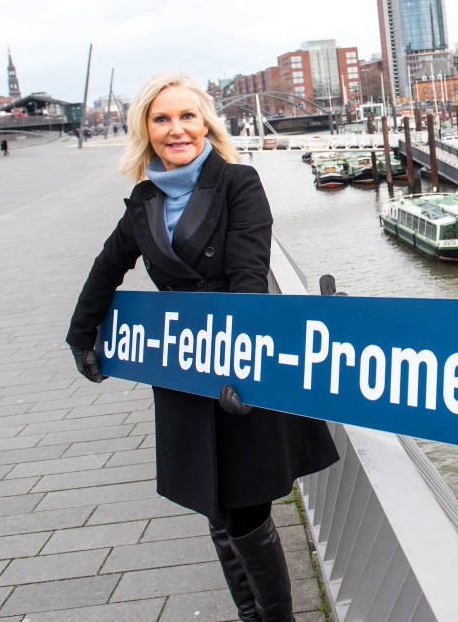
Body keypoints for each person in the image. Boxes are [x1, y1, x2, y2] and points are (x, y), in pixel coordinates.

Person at [66, 71, 338, 622]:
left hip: (239, 362)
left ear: (206, 123)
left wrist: (245, 367)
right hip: (184, 369)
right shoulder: (144, 200)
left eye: (187, 116)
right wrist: (81, 335)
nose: (176, 129)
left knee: (246, 509)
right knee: (216, 507)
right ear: (146, 129)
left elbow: (247, 278)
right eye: (161, 118)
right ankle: (251, 616)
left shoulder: (239, 183)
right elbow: (106, 267)